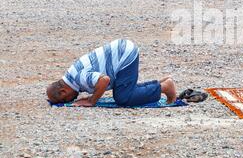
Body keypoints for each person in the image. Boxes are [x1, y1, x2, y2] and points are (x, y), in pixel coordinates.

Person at [46, 39, 177, 107]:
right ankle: (160, 83)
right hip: (122, 52)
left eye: (66, 99)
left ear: (63, 91)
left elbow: (104, 80)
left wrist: (92, 101)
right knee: (123, 90)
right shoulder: (73, 75)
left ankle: (164, 88)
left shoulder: (78, 77)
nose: (71, 100)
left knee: (123, 98)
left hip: (124, 55)